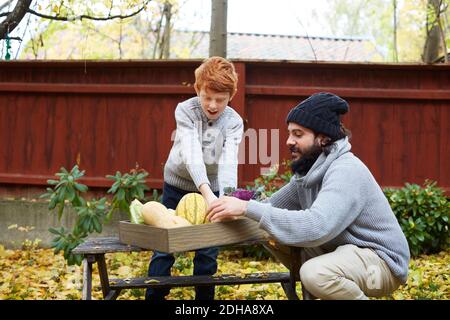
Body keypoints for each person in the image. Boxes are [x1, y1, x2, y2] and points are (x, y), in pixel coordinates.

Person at [207, 92, 410, 300]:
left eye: (298, 134)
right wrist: (237, 200)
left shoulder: (345, 170)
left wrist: (247, 208)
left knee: (315, 273)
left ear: (323, 139)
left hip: (382, 264)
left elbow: (316, 226)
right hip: (346, 253)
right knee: (268, 229)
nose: (288, 141)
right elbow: (270, 206)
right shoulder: (308, 173)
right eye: (289, 133)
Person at [146, 56, 244, 300]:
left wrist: (227, 199)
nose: (212, 105)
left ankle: (204, 303)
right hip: (177, 186)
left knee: (208, 251)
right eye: (207, 97)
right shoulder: (185, 111)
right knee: (164, 248)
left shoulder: (233, 122)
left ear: (230, 96)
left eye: (220, 100)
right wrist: (207, 194)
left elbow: (229, 162)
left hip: (214, 190)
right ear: (197, 89)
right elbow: (191, 154)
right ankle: (154, 296)